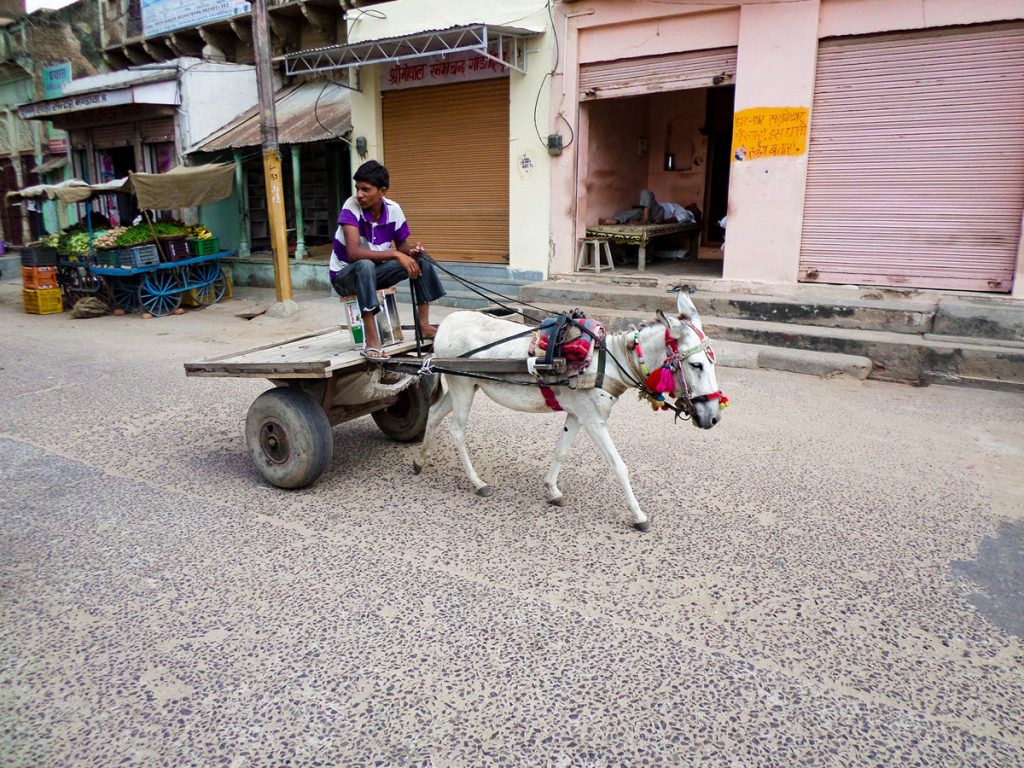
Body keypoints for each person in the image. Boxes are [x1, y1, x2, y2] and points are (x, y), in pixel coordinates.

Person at [329, 160, 446, 359]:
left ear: (382, 191)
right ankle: (371, 338)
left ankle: (424, 326)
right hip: (345, 277)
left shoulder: (394, 210)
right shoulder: (351, 206)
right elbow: (354, 254)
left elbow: (402, 247)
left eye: (366, 189)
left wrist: (414, 252)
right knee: (364, 265)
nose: (359, 194)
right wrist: (395, 254)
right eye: (357, 188)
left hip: (374, 274)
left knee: (422, 261)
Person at [598, 188, 697, 226]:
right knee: (634, 212)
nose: (691, 204)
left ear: (693, 211)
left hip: (659, 213)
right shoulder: (682, 208)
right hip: (651, 211)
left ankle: (645, 219)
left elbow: (676, 219)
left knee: (646, 192)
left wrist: (662, 222)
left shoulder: (688, 214)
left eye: (694, 206)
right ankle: (616, 220)